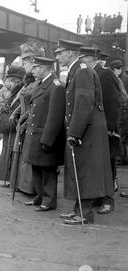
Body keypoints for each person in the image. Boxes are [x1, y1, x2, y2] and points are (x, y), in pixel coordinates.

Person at [55, 39, 113, 225]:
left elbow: (83, 103)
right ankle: (78, 209)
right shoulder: (78, 70)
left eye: (60, 52)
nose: (57, 56)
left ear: (71, 53)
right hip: (86, 127)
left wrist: (74, 132)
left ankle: (85, 214)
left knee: (84, 170)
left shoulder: (82, 71)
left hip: (86, 129)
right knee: (80, 168)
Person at [80, 48, 122, 215]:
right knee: (97, 165)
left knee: (108, 165)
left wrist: (109, 129)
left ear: (90, 58)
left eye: (82, 58)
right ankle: (99, 196)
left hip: (106, 129)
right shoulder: (92, 72)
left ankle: (108, 200)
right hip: (97, 128)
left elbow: (113, 103)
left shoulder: (106, 74)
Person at [23, 57, 66, 212]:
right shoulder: (41, 84)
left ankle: (49, 201)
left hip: (46, 135)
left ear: (44, 68)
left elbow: (55, 117)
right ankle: (40, 197)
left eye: (35, 67)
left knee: (48, 169)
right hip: (36, 133)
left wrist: (48, 140)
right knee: (36, 167)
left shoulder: (56, 86)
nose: (32, 71)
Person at [9, 40, 46, 196]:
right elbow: (23, 99)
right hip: (24, 122)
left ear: (33, 62)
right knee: (23, 153)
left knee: (30, 155)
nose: (23, 66)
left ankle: (30, 187)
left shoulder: (40, 81)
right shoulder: (29, 81)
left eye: (25, 62)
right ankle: (22, 185)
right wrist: (16, 112)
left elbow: (37, 103)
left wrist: (24, 117)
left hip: (32, 122)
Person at [0, 66, 26, 185]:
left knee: (11, 148)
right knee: (8, 148)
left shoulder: (17, 91)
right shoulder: (11, 90)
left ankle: (9, 178)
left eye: (11, 80)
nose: (9, 82)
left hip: (11, 122)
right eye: (9, 80)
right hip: (8, 121)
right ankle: (7, 177)